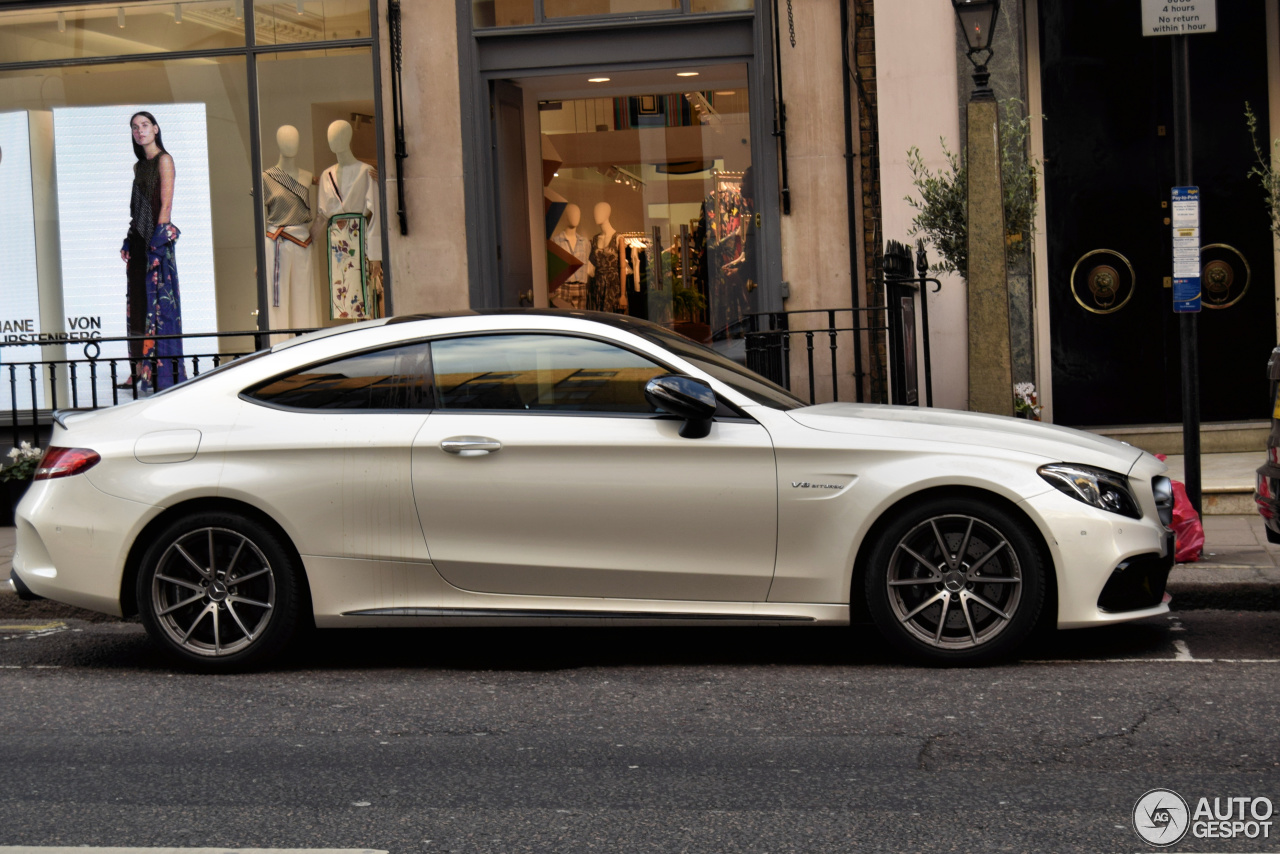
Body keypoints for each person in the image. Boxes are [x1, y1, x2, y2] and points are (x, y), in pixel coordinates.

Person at [119, 110, 185, 392]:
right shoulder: (138, 166)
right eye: (135, 127)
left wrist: (156, 246)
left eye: (145, 125)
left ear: (156, 129)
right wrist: (128, 240)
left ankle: (160, 375)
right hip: (138, 243)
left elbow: (165, 206)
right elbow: (138, 211)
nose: (140, 131)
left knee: (159, 308)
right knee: (138, 308)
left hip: (156, 244)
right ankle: (138, 372)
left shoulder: (164, 160)